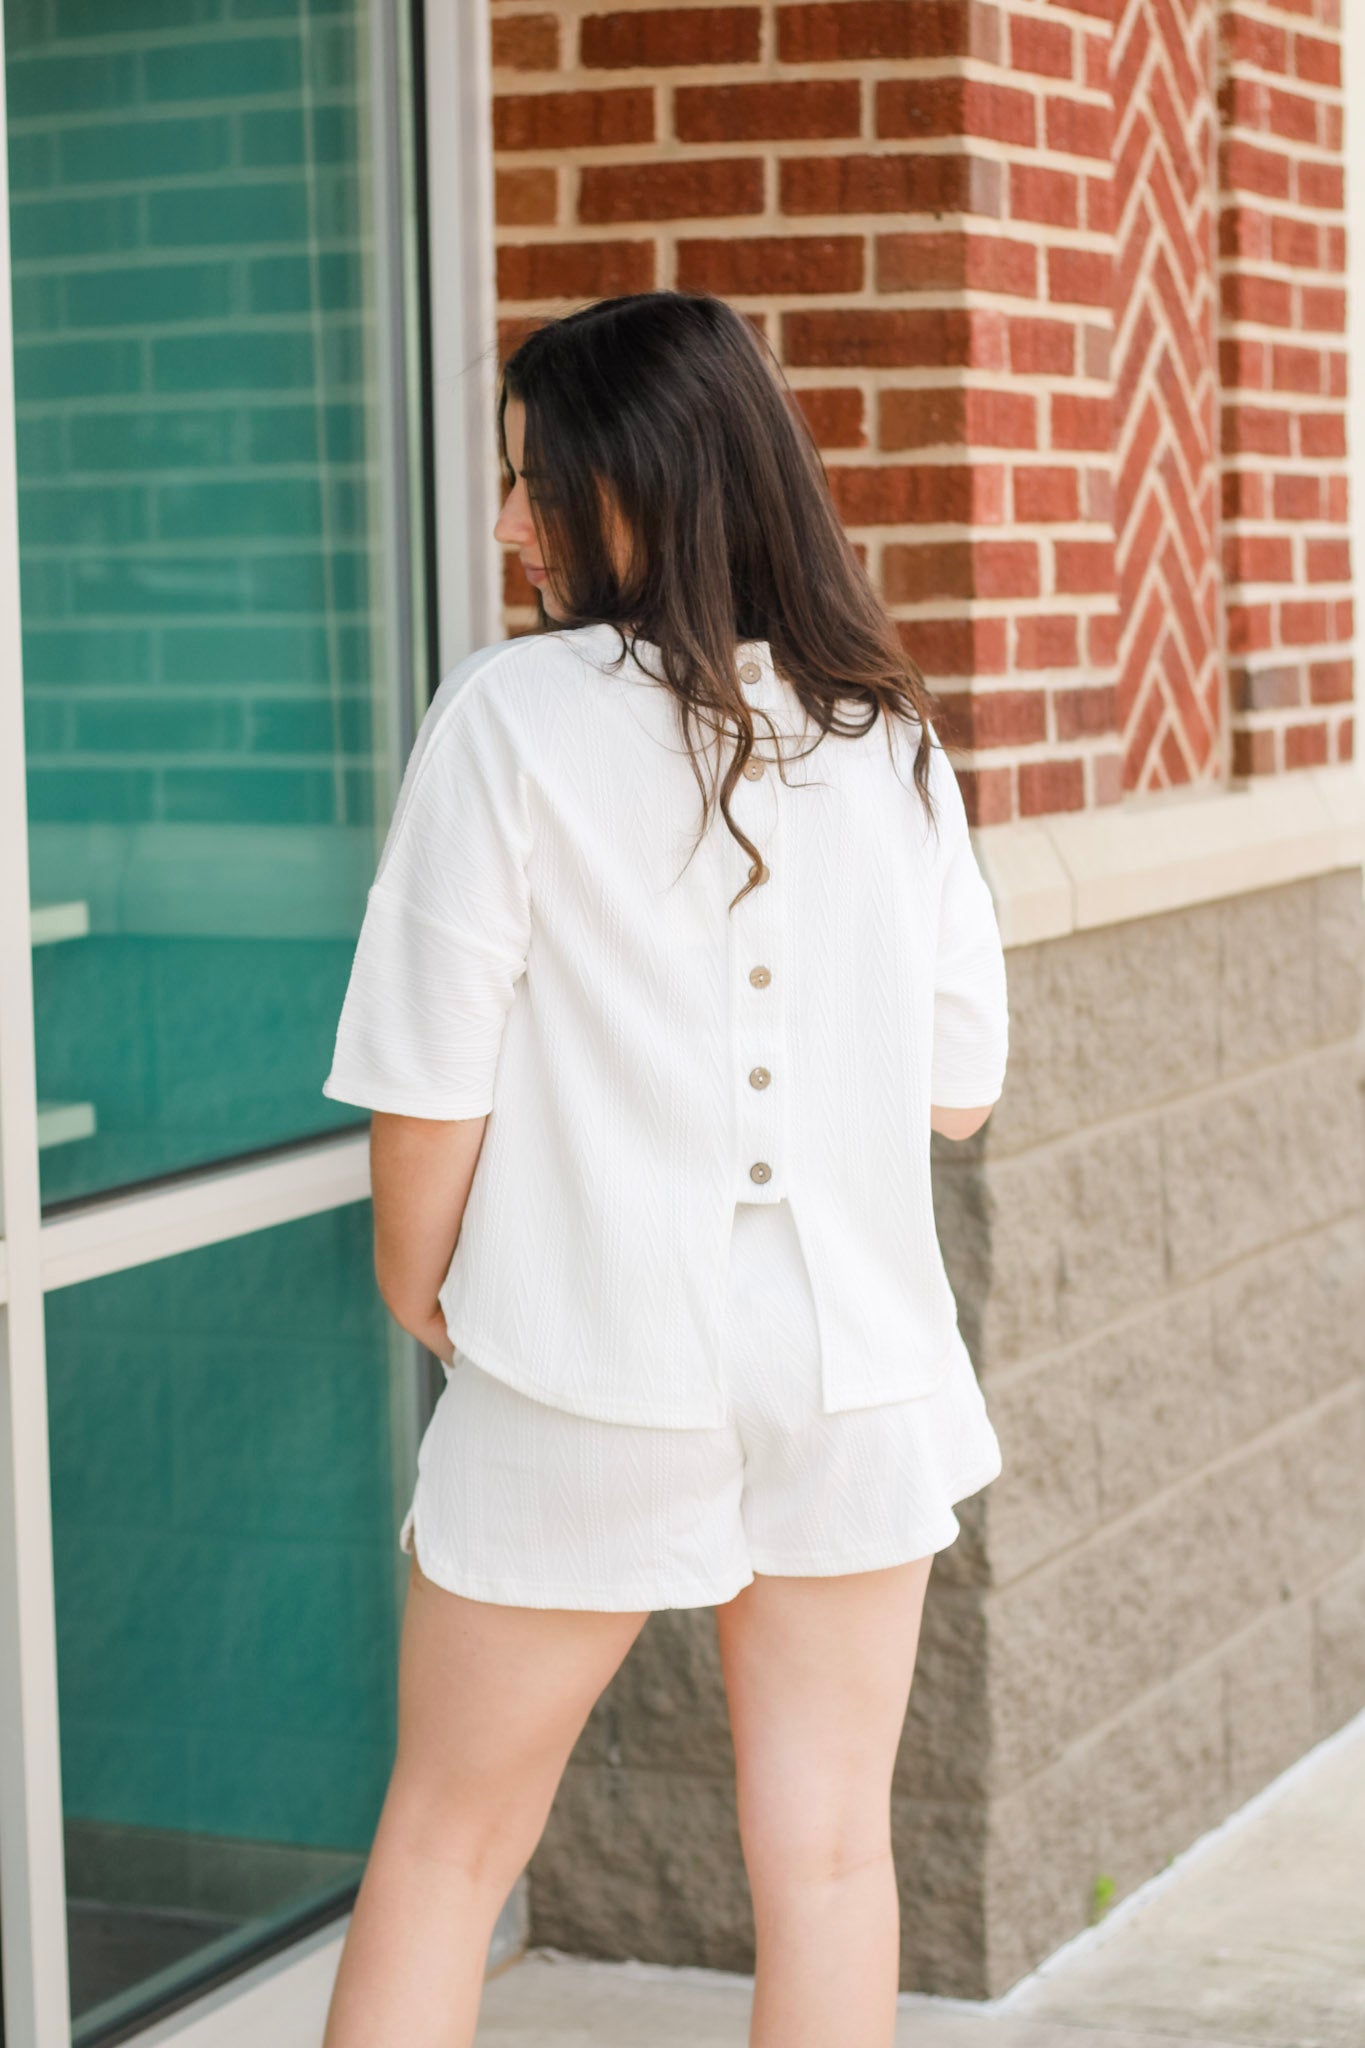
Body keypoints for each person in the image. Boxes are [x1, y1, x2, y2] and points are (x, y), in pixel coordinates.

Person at [318, 290, 1009, 2048]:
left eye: (535, 477)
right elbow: (958, 1094)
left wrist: (423, 1291)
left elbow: (426, 1074)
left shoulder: (513, 716)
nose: (507, 522)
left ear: (641, 480)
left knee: (447, 1846)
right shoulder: (885, 734)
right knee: (831, 1861)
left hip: (588, 1357)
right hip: (855, 1363)